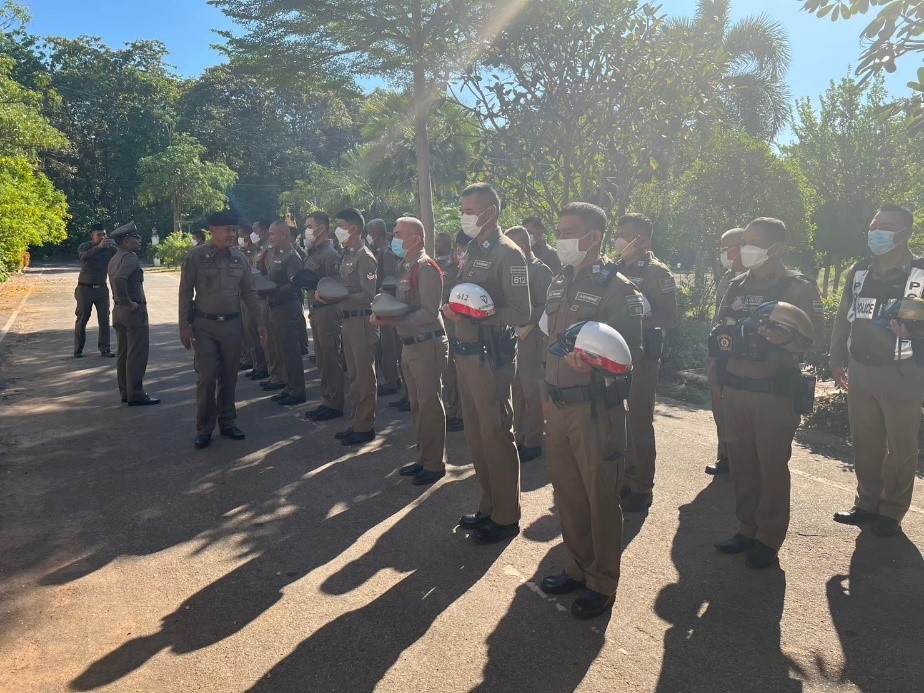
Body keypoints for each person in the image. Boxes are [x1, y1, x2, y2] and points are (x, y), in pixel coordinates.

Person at [539, 202, 643, 620]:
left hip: (595, 410)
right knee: (568, 494)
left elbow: (630, 356)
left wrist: (594, 368)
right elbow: (549, 346)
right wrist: (545, 393)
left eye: (568, 232)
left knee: (600, 497)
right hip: (559, 405)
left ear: (593, 237)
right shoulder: (559, 282)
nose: (560, 239)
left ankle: (602, 582)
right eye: (559, 231)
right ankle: (579, 567)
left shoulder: (618, 289)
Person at [712, 217, 824, 568]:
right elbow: (720, 329)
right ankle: (747, 528)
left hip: (775, 395)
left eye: (753, 243)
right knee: (742, 466)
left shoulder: (797, 287)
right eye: (744, 241)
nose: (744, 249)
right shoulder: (736, 285)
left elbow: (815, 339)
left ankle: (769, 537)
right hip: (737, 389)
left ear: (776, 249)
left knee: (772, 468)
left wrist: (786, 339)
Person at [443, 183, 531, 543]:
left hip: (490, 356)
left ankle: (506, 516)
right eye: (462, 210)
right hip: (467, 353)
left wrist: (478, 316)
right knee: (477, 436)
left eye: (469, 210)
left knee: (495, 434)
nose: (464, 217)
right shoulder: (473, 250)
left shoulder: (508, 254)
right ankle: (489, 505)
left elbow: (521, 312)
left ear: (490, 212)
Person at [830, 204, 924, 537]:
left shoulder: (920, 272)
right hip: (861, 368)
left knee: (901, 446)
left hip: (903, 372)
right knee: (865, 441)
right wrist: (836, 358)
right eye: (874, 225)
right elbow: (844, 317)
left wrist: (916, 331)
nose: (876, 232)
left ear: (905, 233)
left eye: (885, 226)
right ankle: (866, 503)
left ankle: (892, 511)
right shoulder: (859, 271)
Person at [179, 210, 267, 450]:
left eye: (234, 230)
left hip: (232, 325)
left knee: (229, 376)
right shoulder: (197, 256)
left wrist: (260, 323)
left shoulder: (240, 258)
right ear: (213, 231)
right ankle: (204, 428)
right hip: (204, 326)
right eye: (227, 230)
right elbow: (185, 292)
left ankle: (228, 422)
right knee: (207, 377)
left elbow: (250, 293)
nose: (232, 234)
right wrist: (184, 325)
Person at [373, 217, 448, 485]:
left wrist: (394, 321)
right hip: (411, 344)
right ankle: (424, 458)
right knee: (417, 405)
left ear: (415, 238)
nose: (394, 239)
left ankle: (435, 464)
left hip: (427, 344)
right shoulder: (407, 266)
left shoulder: (426, 267)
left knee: (429, 404)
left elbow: (429, 311)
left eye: (398, 234)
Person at [614, 213, 678, 513]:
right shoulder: (615, 268)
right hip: (616, 352)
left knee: (639, 420)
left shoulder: (656, 273)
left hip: (643, 356)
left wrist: (643, 317)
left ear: (644, 241)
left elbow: (670, 317)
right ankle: (625, 477)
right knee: (620, 419)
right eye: (619, 234)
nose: (620, 241)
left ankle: (642, 485)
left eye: (626, 236)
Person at [505, 225, 554, 462]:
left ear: (523, 247)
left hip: (532, 336)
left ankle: (533, 441)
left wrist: (523, 319)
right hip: (514, 335)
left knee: (532, 390)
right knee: (517, 389)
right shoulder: (513, 268)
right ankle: (520, 436)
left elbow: (547, 306)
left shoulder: (540, 271)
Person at [331, 208, 379, 446]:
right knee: (354, 375)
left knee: (364, 375)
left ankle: (365, 426)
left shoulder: (364, 256)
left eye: (340, 225)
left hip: (361, 321)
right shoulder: (348, 254)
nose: (337, 230)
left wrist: (340, 296)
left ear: (353, 228)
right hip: (349, 320)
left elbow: (369, 295)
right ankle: (356, 422)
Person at [706, 228, 745, 476]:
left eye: (727, 247)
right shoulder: (727, 279)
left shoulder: (757, 281)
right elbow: (718, 318)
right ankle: (726, 457)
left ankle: (743, 461)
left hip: (743, 356)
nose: (724, 254)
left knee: (741, 410)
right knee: (720, 408)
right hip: (720, 353)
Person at [107, 223, 158, 406]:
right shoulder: (130, 258)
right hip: (133, 311)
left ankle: (126, 392)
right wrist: (129, 302)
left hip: (118, 311)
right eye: (136, 237)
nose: (139, 240)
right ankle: (136, 394)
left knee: (123, 354)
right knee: (136, 355)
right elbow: (120, 279)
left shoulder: (115, 258)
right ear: (126, 240)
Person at [303, 212, 346, 422]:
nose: (307, 230)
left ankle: (335, 403)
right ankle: (327, 399)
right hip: (316, 310)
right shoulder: (313, 252)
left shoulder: (330, 254)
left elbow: (337, 286)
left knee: (330, 358)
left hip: (328, 311)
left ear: (322, 228)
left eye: (310, 226)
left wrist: (323, 293)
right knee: (321, 360)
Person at [263, 220, 307, 406]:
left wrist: (272, 291)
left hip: (287, 307)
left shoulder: (292, 257)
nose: (270, 237)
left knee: (290, 350)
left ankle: (297, 390)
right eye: (269, 233)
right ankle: (288, 386)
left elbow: (295, 284)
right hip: (275, 307)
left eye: (273, 234)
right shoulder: (274, 253)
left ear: (284, 234)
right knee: (280, 349)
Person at [367, 217, 402, 396]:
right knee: (383, 344)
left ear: (375, 233)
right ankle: (391, 378)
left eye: (369, 233)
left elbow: (390, 279)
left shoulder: (386, 253)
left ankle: (392, 381)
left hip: (386, 304)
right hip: (380, 303)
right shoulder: (379, 251)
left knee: (389, 344)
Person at [75, 223, 117, 358]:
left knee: (104, 319)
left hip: (101, 289)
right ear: (91, 235)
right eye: (99, 234)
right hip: (85, 288)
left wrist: (116, 247)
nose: (102, 237)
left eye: (104, 234)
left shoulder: (109, 249)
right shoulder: (85, 246)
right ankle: (78, 349)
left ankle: (105, 348)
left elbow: (119, 258)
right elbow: (83, 257)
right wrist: (98, 248)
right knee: (82, 318)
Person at [436, 231, 464, 432]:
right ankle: (453, 409)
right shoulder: (443, 266)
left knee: (462, 372)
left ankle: (462, 413)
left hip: (461, 327)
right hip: (445, 326)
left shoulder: (468, 267)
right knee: (448, 372)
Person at [237, 226, 270, 381]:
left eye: (256, 230)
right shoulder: (252, 249)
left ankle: (265, 367)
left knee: (259, 334)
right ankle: (256, 364)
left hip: (259, 296)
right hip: (248, 294)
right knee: (249, 332)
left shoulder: (266, 248)